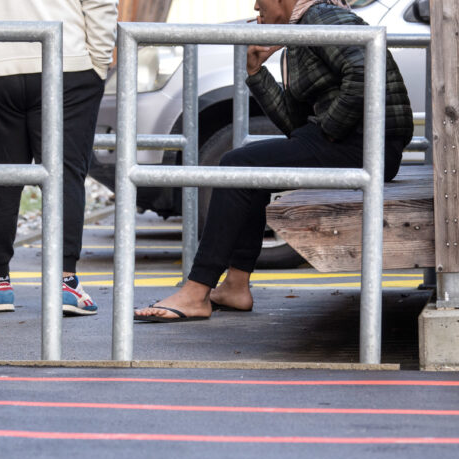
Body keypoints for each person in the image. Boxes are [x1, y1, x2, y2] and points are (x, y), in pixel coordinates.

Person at [134, 0, 413, 323]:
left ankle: (197, 292)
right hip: (354, 141)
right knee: (247, 170)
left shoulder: (323, 16)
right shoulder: (300, 30)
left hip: (365, 144)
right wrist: (256, 73)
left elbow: (366, 70)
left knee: (238, 166)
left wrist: (329, 130)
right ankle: (235, 287)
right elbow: (296, 126)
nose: (255, 5)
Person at [0, 0, 118, 316]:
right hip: (68, 62)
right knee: (65, 174)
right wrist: (99, 65)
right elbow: (100, 4)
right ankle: (65, 283)